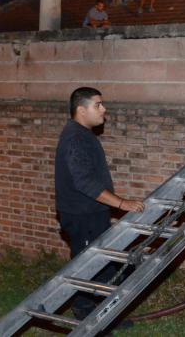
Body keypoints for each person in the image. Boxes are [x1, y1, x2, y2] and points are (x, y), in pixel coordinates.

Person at [55, 87, 144, 319]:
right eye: (98, 105)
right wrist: (122, 204)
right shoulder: (75, 138)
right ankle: (87, 315)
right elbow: (84, 182)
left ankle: (105, 315)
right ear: (81, 110)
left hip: (92, 212)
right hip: (81, 215)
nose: (104, 109)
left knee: (103, 265)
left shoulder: (83, 134)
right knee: (89, 268)